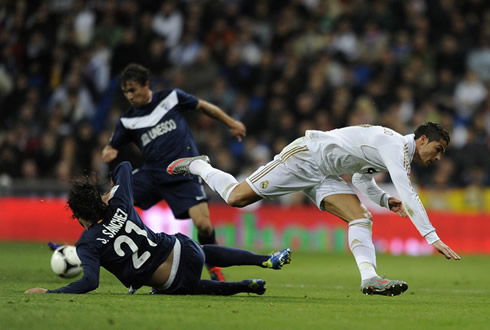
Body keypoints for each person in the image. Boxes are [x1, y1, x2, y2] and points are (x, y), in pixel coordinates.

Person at [167, 122, 462, 296]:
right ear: (422, 139)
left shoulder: (397, 152)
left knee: (362, 217)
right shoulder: (396, 147)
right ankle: (199, 166)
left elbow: (361, 177)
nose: (437, 158)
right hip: (305, 157)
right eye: (437, 150)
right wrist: (432, 237)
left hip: (324, 175)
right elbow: (408, 192)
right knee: (236, 197)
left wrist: (385, 200)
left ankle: (370, 278)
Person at [25, 161, 292, 295]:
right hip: (184, 249)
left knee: (191, 287)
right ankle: (264, 260)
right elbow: (125, 166)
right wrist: (108, 194)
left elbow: (90, 281)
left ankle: (245, 286)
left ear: (78, 215)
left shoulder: (88, 242)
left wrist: (51, 292)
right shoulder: (119, 203)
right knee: (205, 250)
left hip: (172, 280)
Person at [101, 63, 246, 281]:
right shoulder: (127, 120)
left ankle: (214, 268)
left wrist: (231, 122)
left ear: (146, 85)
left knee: (204, 225)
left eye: (132, 89)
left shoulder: (171, 98)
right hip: (151, 175)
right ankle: (84, 250)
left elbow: (205, 107)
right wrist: (109, 150)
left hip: (183, 170)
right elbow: (113, 144)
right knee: (107, 201)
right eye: (125, 92)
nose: (129, 96)